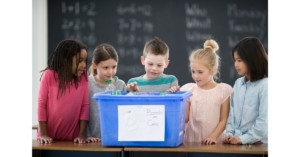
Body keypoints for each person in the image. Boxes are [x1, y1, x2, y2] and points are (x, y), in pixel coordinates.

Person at [180, 39, 232, 144]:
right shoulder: (188, 89)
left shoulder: (224, 90)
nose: (195, 76)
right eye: (193, 71)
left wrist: (213, 137)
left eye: (200, 72)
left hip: (215, 144)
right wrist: (176, 96)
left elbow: (224, 120)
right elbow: (185, 118)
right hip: (192, 143)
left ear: (213, 71)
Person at [37, 39, 89, 144]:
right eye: (80, 60)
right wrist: (43, 134)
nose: (84, 65)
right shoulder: (49, 75)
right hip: (48, 139)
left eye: (85, 61)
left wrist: (82, 134)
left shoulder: (83, 77)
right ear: (66, 60)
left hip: (74, 140)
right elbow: (41, 105)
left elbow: (85, 106)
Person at [223, 37, 268, 145]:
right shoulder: (238, 84)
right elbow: (232, 113)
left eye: (239, 60)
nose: (236, 64)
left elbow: (264, 121)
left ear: (252, 59)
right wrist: (229, 133)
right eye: (235, 60)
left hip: (259, 146)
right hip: (237, 143)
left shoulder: (265, 85)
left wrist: (243, 139)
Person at [87, 43, 126, 142]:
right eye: (106, 68)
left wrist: (132, 94)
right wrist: (85, 136)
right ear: (95, 65)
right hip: (91, 141)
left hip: (114, 140)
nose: (110, 72)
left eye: (114, 67)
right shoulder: (86, 84)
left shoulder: (120, 85)